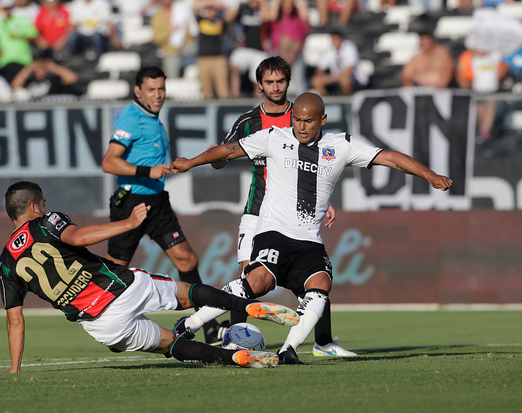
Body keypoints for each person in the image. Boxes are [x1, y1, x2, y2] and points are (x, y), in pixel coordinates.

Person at [171, 92, 453, 364]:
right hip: (274, 232)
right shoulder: (273, 138)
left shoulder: (340, 145)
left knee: (321, 284)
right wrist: (191, 162)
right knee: (258, 283)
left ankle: (289, 350)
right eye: (296, 119)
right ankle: (190, 323)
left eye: (308, 121)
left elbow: (389, 157)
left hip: (308, 240)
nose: (301, 126)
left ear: (323, 120)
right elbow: (229, 150)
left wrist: (429, 175)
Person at [0, 181, 301, 372]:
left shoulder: (5, 264)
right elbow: (76, 237)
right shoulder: (46, 222)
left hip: (100, 324)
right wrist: (128, 223)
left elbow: (14, 320)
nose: (46, 208)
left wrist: (14, 371)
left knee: (170, 344)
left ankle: (232, 359)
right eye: (44, 204)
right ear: (35, 206)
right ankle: (247, 307)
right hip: (122, 288)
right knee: (188, 293)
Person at [207, 56, 351, 358]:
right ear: (260, 85)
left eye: (280, 81)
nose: (275, 87)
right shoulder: (248, 122)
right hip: (257, 210)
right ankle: (236, 342)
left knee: (313, 280)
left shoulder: (301, 115)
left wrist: (326, 202)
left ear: (287, 83)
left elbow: (319, 165)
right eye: (269, 82)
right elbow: (222, 156)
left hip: (296, 213)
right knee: (249, 278)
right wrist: (217, 158)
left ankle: (323, 342)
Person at [101, 66, 225, 345]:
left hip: (157, 202)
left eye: (161, 89)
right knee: (113, 274)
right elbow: (109, 162)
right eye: (151, 90)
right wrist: (149, 171)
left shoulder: (153, 117)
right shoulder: (131, 118)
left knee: (187, 260)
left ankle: (209, 327)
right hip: (131, 203)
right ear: (138, 91)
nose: (158, 95)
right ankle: (105, 325)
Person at [456, 47, 505, 141]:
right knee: (480, 111)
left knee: (490, 107)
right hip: (477, 91)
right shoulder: (472, 58)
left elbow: (503, 62)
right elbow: (463, 70)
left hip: (491, 92)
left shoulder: (493, 56)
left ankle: (485, 133)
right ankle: (482, 133)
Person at [0, 0, 39, 83]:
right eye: (5, 8)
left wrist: (19, 36)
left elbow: (34, 36)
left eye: (9, 8)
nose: (7, 11)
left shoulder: (21, 20)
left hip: (24, 61)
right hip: (5, 62)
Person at [226, 0, 270, 98]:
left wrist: (263, 3)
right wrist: (237, 4)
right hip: (244, 48)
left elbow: (267, 18)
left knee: (258, 77)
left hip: (260, 50)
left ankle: (258, 102)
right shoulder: (243, 8)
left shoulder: (263, 9)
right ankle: (235, 97)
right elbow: (228, 17)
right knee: (234, 66)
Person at [310, 28, 368, 96]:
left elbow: (349, 71)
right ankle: (326, 103)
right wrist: (323, 76)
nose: (335, 42)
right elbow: (320, 69)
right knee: (316, 81)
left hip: (356, 79)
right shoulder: (329, 51)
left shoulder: (349, 47)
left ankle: (347, 103)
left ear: (342, 39)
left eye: (337, 39)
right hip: (336, 79)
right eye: (333, 39)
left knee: (344, 80)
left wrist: (331, 78)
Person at [150, 0, 198, 79]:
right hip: (169, 51)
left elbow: (192, 31)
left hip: (186, 47)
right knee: (172, 63)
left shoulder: (182, 10)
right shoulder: (157, 16)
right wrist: (169, 31)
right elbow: (156, 38)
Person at [193, 0, 229, 99]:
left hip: (219, 58)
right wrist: (211, 3)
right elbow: (194, 8)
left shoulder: (222, 21)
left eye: (213, 9)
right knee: (206, 91)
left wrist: (220, 6)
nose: (211, 11)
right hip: (203, 59)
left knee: (223, 90)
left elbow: (231, 13)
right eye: (209, 9)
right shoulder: (200, 20)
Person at [10, 57, 78, 101]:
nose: (39, 72)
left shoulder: (54, 81)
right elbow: (15, 85)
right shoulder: (30, 81)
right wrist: (29, 68)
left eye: (41, 69)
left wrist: (53, 67)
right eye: (37, 70)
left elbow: (72, 78)